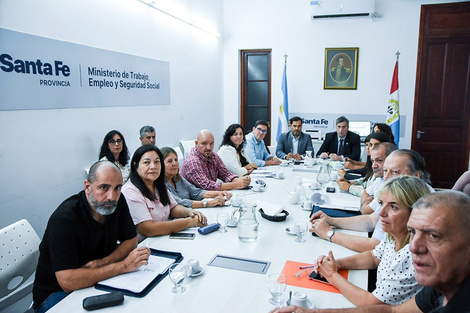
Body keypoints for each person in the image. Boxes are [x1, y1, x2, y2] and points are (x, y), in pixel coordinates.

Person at [270, 191, 470, 313]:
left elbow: (378, 304)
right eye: (412, 232)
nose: (414, 247)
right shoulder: (440, 284)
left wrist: (331, 274)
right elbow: (392, 311)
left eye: (433, 236)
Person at [33, 161, 150, 313]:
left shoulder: (117, 202)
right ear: (87, 186)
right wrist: (123, 266)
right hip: (56, 295)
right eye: (103, 187)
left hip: (96, 280)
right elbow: (68, 281)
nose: (111, 196)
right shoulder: (64, 219)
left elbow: (131, 240)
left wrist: (104, 262)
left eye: (117, 188)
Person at [313, 176, 430, 306]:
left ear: (415, 213)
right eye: (381, 204)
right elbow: (373, 257)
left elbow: (373, 304)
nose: (381, 213)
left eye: (393, 207)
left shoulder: (411, 254)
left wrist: (331, 275)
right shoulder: (394, 232)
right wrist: (337, 264)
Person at [310, 147, 433, 253]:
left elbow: (374, 246)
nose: (386, 178)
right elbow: (371, 220)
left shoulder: (422, 205)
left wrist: (329, 234)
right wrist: (331, 221)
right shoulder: (401, 192)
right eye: (385, 171)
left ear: (416, 176)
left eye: (395, 172)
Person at [121, 145, 207, 242]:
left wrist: (189, 212)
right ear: (135, 166)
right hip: (142, 247)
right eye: (146, 162)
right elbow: (148, 229)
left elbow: (173, 207)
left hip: (162, 239)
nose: (153, 166)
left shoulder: (157, 184)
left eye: (157, 162)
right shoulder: (130, 191)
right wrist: (189, 222)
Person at [161, 147, 232, 208]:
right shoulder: (160, 184)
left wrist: (219, 193)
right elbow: (179, 203)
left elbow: (196, 192)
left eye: (176, 160)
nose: (175, 163)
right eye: (170, 161)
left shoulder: (178, 178)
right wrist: (208, 203)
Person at [180, 129, 251, 191]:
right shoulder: (192, 161)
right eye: (204, 144)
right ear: (196, 143)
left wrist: (240, 181)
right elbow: (206, 186)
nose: (208, 147)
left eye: (211, 144)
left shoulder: (213, 155)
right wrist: (236, 185)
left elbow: (225, 174)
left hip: (209, 197)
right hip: (193, 201)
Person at [337, 132, 393, 196]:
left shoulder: (386, 172)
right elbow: (367, 181)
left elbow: (372, 195)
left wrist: (349, 187)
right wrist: (350, 182)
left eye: (377, 145)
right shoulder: (376, 165)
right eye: (371, 145)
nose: (371, 148)